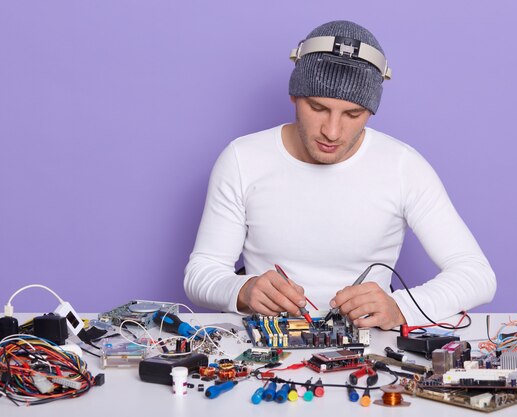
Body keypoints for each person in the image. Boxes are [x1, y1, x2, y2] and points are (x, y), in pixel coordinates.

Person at [184, 20, 496, 330]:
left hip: (370, 352)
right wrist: (241, 290)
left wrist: (399, 308)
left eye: (352, 114)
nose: (332, 132)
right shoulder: (242, 158)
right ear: (294, 95)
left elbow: (477, 275)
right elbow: (202, 272)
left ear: (371, 111)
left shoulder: (403, 166)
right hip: (268, 345)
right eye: (318, 107)